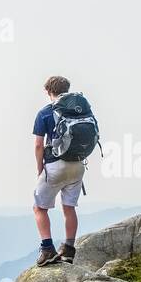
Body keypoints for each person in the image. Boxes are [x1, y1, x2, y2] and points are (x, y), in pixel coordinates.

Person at [32, 75, 98, 266]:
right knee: (69, 208)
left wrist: (39, 168)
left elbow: (38, 145)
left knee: (39, 208)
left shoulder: (45, 112)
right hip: (78, 165)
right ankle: (68, 250)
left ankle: (47, 250)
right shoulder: (81, 109)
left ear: (48, 91)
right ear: (67, 89)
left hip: (54, 165)